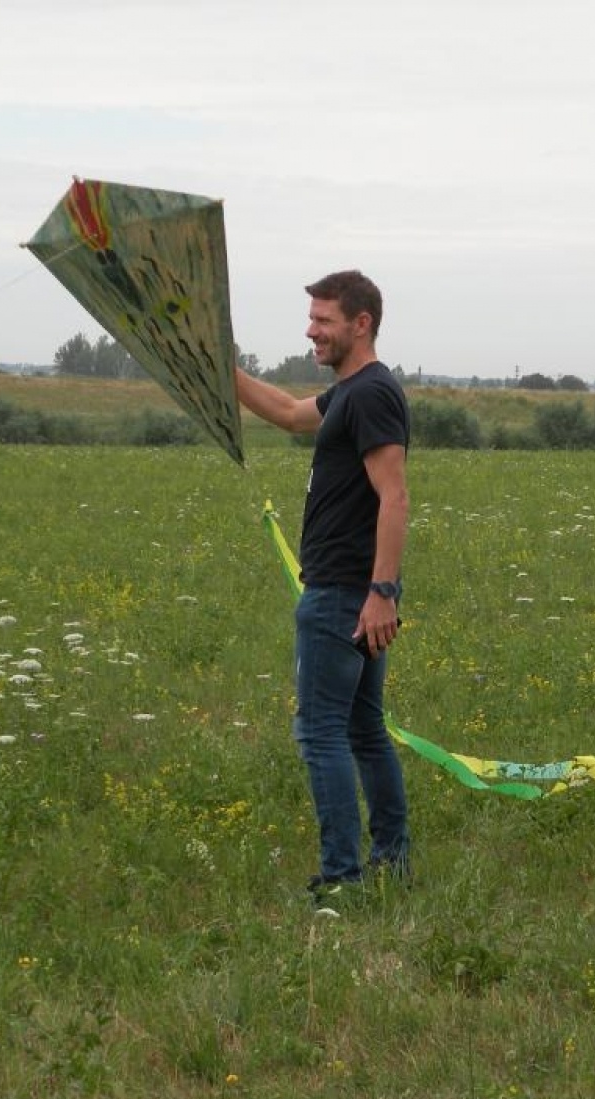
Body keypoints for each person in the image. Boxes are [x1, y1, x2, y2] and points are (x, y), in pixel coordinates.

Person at [234, 270, 411, 906]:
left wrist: (381, 591)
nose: (311, 330)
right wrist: (219, 369)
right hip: (349, 590)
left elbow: (394, 496)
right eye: (311, 318)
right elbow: (285, 413)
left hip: (345, 591)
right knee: (362, 730)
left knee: (321, 733)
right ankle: (392, 863)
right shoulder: (350, 392)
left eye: (324, 320)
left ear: (360, 324)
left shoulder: (370, 395)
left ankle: (342, 875)